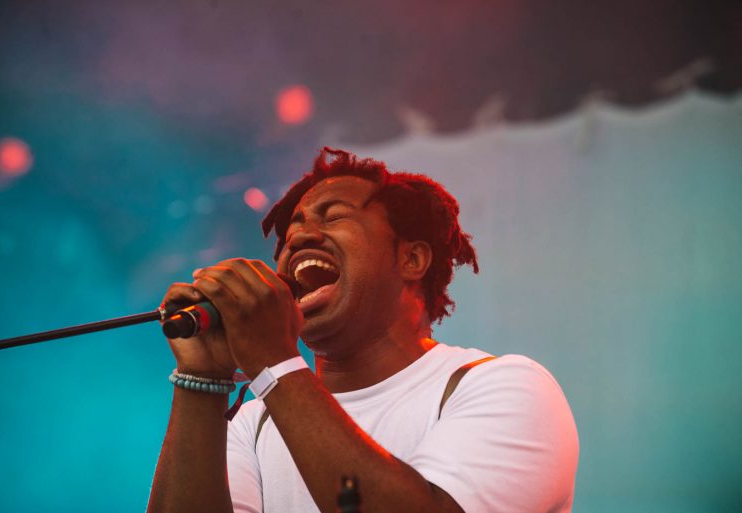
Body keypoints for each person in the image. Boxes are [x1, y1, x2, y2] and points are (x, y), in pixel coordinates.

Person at [147, 148, 579, 513]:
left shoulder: (503, 386)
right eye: (292, 227)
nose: (298, 237)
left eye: (334, 217)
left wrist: (274, 362)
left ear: (411, 260)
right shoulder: (253, 423)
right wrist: (202, 380)